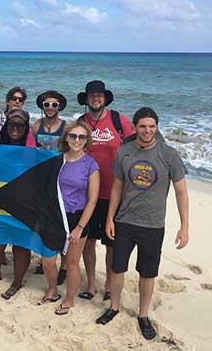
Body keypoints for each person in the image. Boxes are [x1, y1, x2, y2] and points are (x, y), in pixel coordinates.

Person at [96, 107, 189, 340]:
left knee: (147, 273)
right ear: (135, 127)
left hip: (153, 224)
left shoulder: (169, 154)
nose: (147, 131)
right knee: (117, 268)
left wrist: (184, 226)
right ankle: (114, 306)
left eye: (152, 126)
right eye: (143, 126)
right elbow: (116, 187)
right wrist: (110, 217)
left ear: (156, 128)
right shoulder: (124, 152)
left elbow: (181, 192)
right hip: (124, 221)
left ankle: (143, 314)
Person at [77, 80, 134, 301]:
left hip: (114, 194)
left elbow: (134, 148)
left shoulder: (119, 121)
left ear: (105, 98)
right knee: (88, 241)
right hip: (86, 193)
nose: (95, 98)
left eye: (99, 95)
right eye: (91, 95)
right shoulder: (81, 122)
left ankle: (110, 285)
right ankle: (91, 284)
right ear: (87, 98)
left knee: (112, 242)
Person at [40, 122, 100, 314]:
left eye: (81, 137)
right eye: (73, 136)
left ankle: (69, 299)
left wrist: (80, 227)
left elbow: (92, 200)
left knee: (72, 262)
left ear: (86, 141)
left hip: (77, 218)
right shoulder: (57, 160)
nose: (77, 140)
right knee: (48, 260)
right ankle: (52, 289)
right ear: (66, 138)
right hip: (55, 216)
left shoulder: (91, 164)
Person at [0, 109, 37, 297]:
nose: (15, 128)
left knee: (20, 243)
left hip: (23, 200)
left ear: (25, 128)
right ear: (6, 126)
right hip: (1, 197)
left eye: (19, 126)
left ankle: (17, 282)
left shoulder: (32, 150)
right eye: (12, 125)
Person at [31, 90, 68, 282]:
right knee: (42, 222)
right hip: (42, 180)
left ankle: (65, 266)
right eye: (47, 104)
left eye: (54, 104)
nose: (50, 108)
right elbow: (31, 150)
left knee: (61, 222)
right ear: (42, 107)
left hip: (61, 179)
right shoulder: (36, 126)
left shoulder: (66, 126)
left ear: (60, 106)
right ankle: (42, 260)